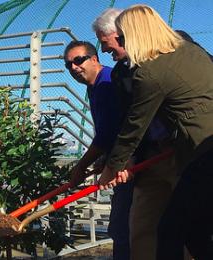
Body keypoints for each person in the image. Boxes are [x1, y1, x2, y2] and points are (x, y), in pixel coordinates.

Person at [99, 5, 213, 260]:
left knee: (170, 231)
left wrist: (112, 168)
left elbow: (134, 125)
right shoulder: (191, 51)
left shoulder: (150, 71)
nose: (120, 44)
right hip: (201, 148)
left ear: (137, 33)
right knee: (196, 231)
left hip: (203, 154)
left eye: (124, 36)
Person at [93, 8, 180, 260]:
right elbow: (128, 121)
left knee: (189, 224)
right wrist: (122, 159)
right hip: (149, 158)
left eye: (107, 44)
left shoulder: (173, 51)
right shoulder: (121, 73)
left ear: (123, 32)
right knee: (140, 226)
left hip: (181, 152)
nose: (107, 51)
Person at [64, 40, 133, 260]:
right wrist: (104, 158)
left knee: (122, 227)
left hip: (131, 163)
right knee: (123, 225)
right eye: (69, 65)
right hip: (120, 160)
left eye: (78, 60)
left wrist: (80, 166)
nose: (74, 67)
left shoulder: (107, 83)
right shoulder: (94, 87)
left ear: (94, 59)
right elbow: (109, 130)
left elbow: (107, 134)